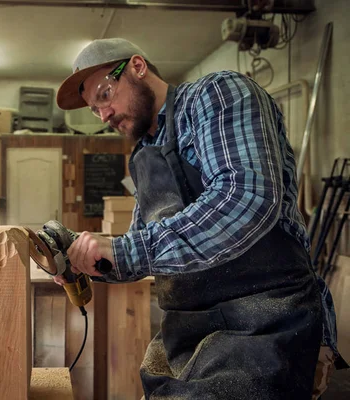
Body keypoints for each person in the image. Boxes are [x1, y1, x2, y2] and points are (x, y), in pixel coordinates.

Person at [54, 38, 347, 399]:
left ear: (137, 67)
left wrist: (130, 249)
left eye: (104, 94)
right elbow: (143, 249)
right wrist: (82, 258)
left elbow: (245, 199)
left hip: (266, 320)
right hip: (189, 333)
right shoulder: (144, 156)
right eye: (93, 109)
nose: (103, 114)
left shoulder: (217, 95)